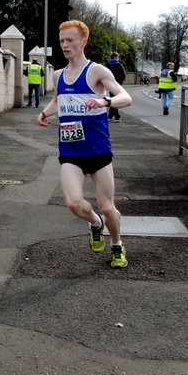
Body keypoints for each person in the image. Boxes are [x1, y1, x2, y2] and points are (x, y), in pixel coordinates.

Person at [36, 20, 132, 268]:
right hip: (70, 151)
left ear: (83, 42)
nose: (65, 45)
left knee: (108, 207)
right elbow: (59, 101)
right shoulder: (58, 75)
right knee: (73, 203)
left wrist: (105, 102)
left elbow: (125, 97)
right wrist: (45, 113)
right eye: (62, 41)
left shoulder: (97, 72)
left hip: (98, 149)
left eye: (70, 40)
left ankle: (117, 245)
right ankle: (95, 222)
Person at [104, 52, 126, 122]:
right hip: (118, 84)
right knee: (114, 100)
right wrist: (120, 82)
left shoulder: (107, 65)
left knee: (112, 99)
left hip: (110, 84)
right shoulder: (119, 65)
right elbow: (123, 75)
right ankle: (116, 117)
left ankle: (110, 116)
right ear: (116, 57)